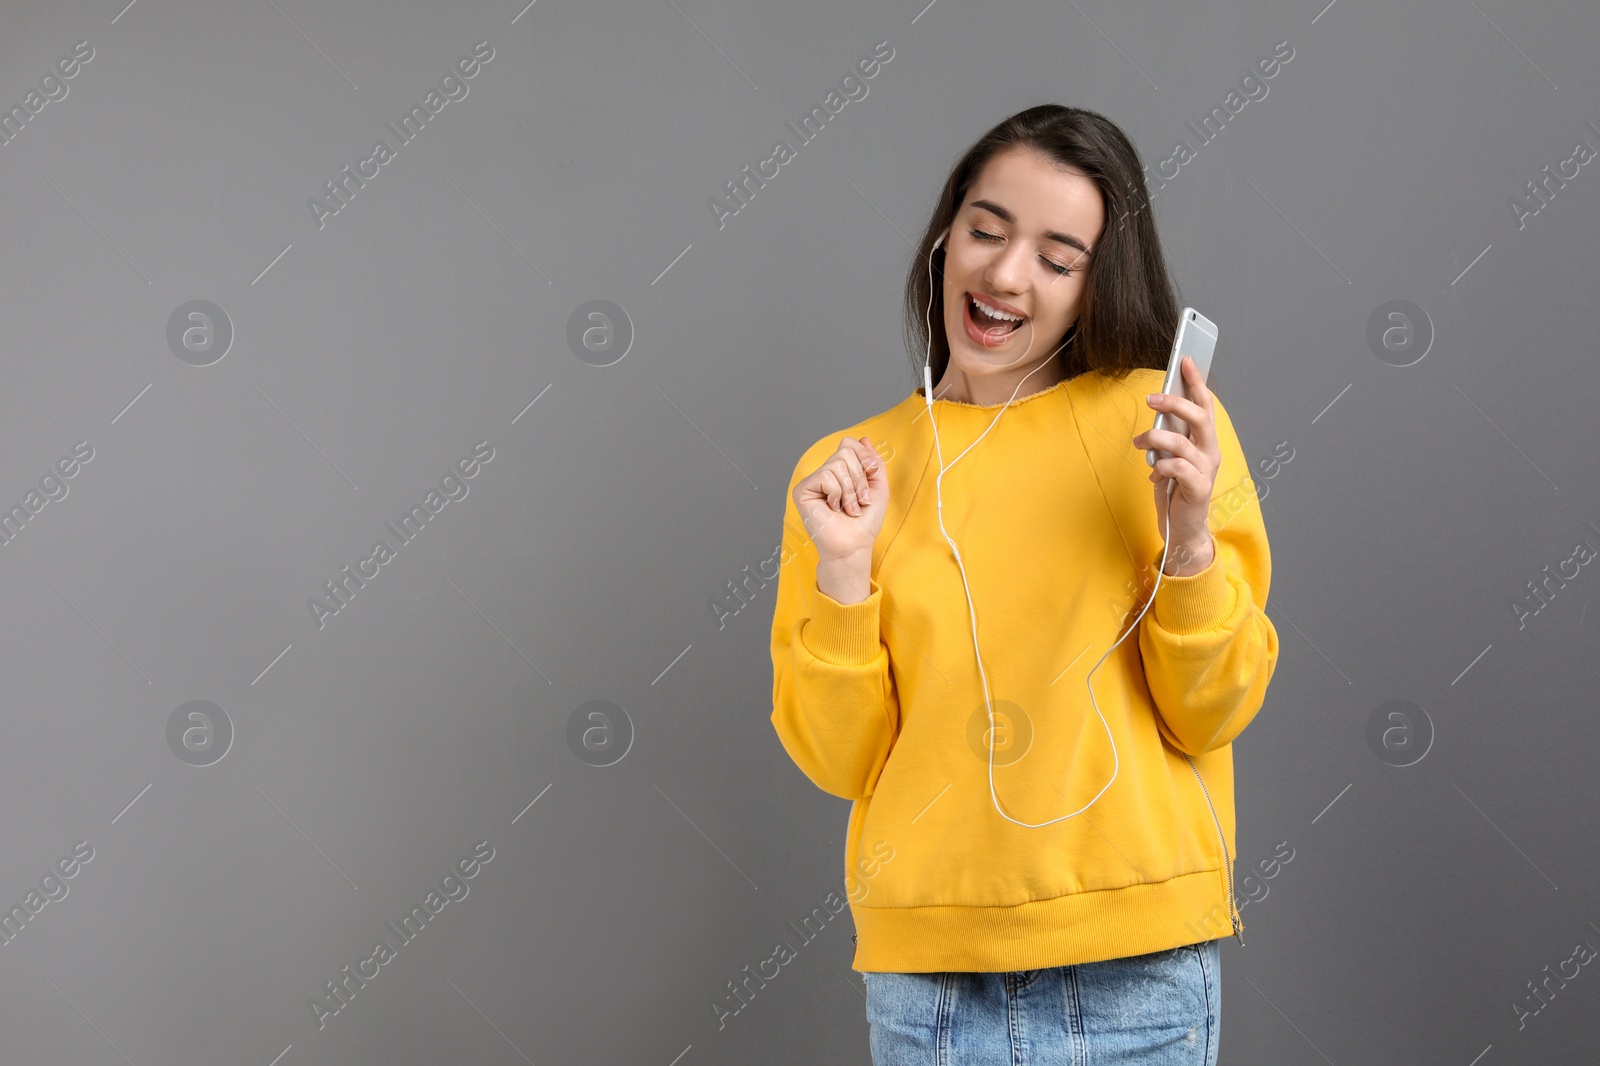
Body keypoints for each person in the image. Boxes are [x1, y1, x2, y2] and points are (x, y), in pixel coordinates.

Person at [768, 104, 1280, 1064]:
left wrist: (1187, 537)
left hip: (1140, 972)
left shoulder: (1159, 428)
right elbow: (840, 762)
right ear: (944, 236)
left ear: (1098, 284)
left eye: (1057, 257)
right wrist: (843, 572)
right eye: (986, 231)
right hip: (927, 983)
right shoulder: (852, 472)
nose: (1004, 275)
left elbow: (1214, 711)